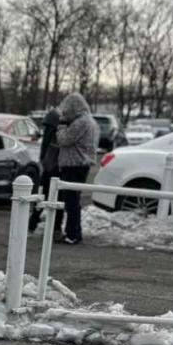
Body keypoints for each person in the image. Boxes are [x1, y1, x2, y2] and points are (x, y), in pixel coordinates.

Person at [52, 92, 99, 244]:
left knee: (71, 202)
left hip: (74, 165)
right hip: (79, 164)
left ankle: (73, 234)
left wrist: (60, 127)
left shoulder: (81, 123)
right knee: (72, 200)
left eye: (67, 109)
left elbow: (64, 140)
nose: (65, 112)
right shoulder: (89, 121)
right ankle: (72, 232)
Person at [29, 107, 63, 236]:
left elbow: (45, 146)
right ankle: (53, 227)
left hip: (51, 165)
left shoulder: (52, 132)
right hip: (54, 166)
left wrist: (43, 159)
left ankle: (33, 223)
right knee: (53, 196)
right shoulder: (57, 130)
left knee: (44, 194)